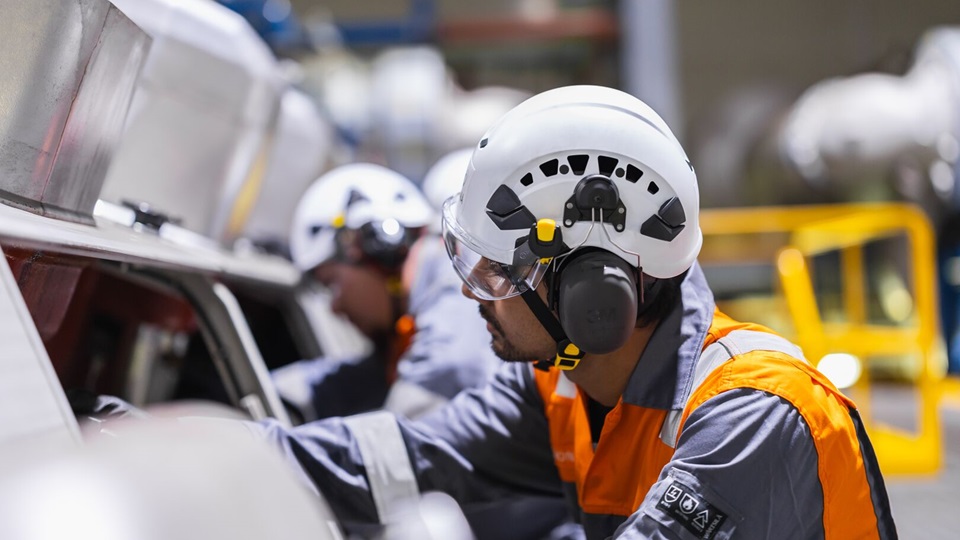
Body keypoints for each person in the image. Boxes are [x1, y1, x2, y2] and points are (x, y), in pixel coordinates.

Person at [253, 85, 896, 539]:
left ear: (592, 293)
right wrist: (236, 457)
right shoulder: (558, 388)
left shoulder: (757, 413)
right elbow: (406, 456)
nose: (475, 296)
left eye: (500, 273)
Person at [274, 162, 500, 421]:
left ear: (378, 248)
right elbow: (369, 377)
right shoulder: (414, 313)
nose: (334, 307)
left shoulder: (454, 289)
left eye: (332, 283)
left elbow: (423, 405)